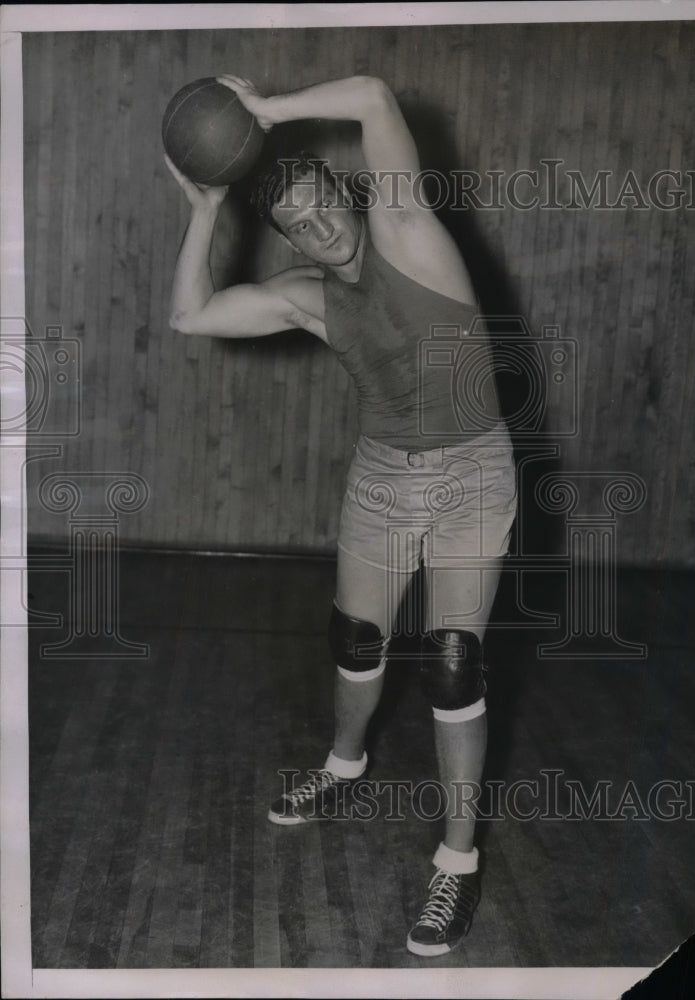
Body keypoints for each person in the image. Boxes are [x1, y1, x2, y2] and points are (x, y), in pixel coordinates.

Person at [166, 73, 517, 957]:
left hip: (473, 474)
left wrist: (264, 114)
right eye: (295, 224)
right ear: (286, 235)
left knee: (450, 663)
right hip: (380, 481)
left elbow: (372, 98)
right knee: (356, 645)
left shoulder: (405, 228)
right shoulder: (307, 295)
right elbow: (188, 315)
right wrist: (208, 205)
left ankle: (457, 863)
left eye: (321, 203)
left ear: (345, 191)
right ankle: (345, 766)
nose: (316, 225)